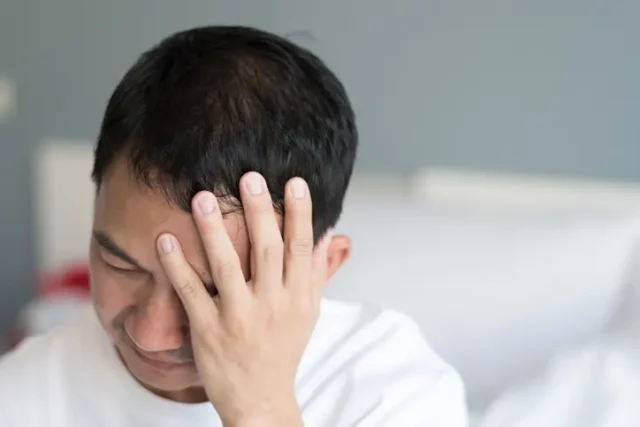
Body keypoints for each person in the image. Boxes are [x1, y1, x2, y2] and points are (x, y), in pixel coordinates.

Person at [0, 26, 468, 426]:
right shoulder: (26, 390)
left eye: (214, 290)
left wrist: (259, 408)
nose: (150, 334)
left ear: (322, 267)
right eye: (120, 265)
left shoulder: (396, 393)